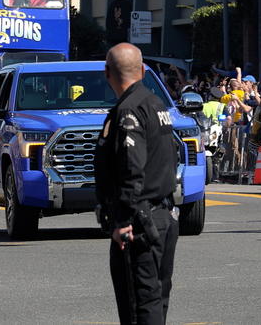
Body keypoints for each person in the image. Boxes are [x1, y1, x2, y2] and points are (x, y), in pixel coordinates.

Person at [94, 43, 178, 325]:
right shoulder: (155, 104)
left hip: (139, 222)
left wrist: (123, 219)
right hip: (163, 215)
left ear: (107, 73)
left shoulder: (128, 110)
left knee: (138, 305)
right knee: (155, 300)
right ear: (142, 70)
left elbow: (132, 168)